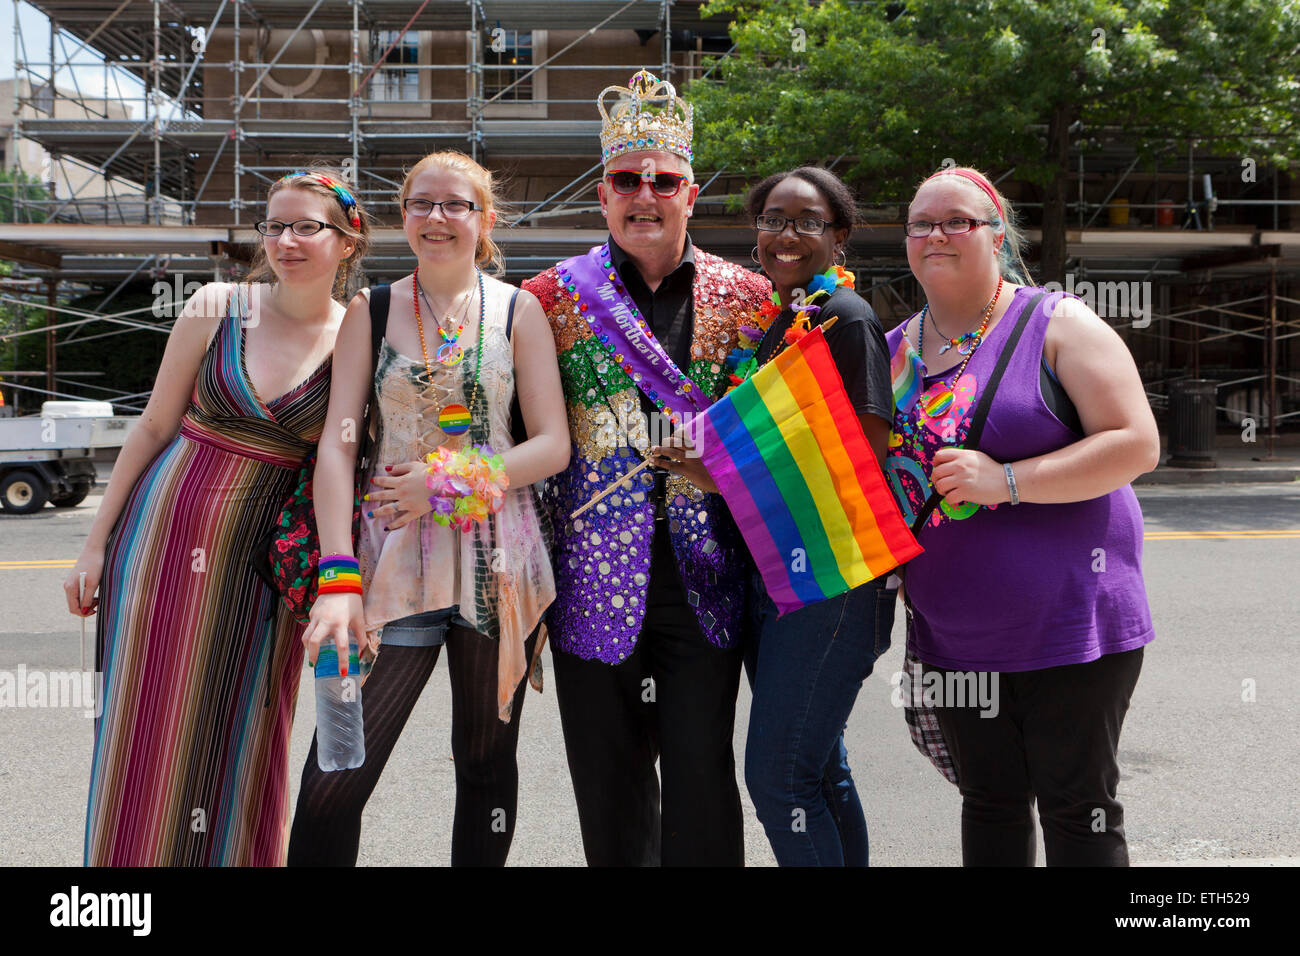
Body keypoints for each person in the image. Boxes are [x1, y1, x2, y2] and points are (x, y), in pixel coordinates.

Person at [67, 169, 369, 866]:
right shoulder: (217, 304)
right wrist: (93, 546)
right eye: (273, 226)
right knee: (139, 732)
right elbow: (150, 429)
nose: (285, 241)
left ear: (348, 242)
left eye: (306, 226)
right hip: (159, 537)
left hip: (260, 563)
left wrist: (338, 575)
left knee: (244, 730)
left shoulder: (358, 332)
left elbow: (340, 458)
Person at [286, 150, 569, 867]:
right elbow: (336, 450)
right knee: (334, 772)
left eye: (455, 205)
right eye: (421, 204)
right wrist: (337, 576)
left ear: (486, 220)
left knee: (483, 767)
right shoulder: (371, 308)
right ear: (403, 217)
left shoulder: (519, 309)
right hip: (385, 571)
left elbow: (552, 446)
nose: (437, 218)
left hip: (496, 570)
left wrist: (444, 483)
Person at [522, 70, 771, 866]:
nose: (645, 194)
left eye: (663, 181)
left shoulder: (752, 298)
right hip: (589, 575)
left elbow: (778, 438)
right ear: (603, 194)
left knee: (703, 776)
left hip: (709, 572)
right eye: (627, 180)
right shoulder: (550, 299)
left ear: (690, 195)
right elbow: (519, 429)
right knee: (607, 780)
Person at [886, 166, 1159, 866]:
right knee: (991, 804)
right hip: (951, 634)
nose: (936, 235)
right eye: (922, 223)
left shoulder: (1056, 321)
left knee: (1079, 808)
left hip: (1072, 626)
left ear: (996, 232)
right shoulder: (892, 352)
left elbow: (1135, 443)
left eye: (958, 221)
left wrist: (1006, 480)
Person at [693, 166, 896, 866]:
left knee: (778, 780)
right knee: (818, 770)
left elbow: (863, 454)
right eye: (774, 218)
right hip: (778, 569)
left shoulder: (847, 320)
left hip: (832, 578)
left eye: (808, 221)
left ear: (838, 236)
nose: (787, 234)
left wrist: (718, 474)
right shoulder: (780, 320)